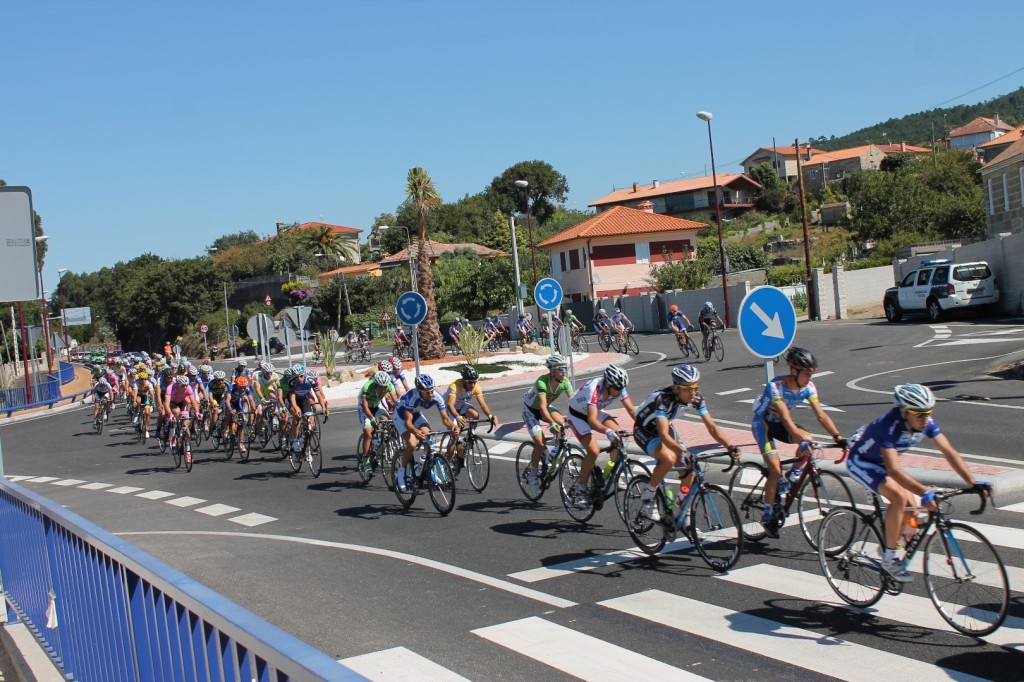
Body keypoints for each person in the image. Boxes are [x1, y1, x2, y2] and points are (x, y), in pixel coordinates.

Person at [846, 384, 991, 582]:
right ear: (904, 411)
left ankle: (889, 544)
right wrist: (925, 492)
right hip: (861, 462)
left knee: (912, 510)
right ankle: (889, 559)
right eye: (919, 414)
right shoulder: (888, 426)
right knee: (897, 497)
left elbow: (949, 452)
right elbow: (894, 470)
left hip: (881, 464)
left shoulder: (925, 422)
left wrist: (972, 482)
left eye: (928, 413)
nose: (925, 419)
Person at [750, 347, 847, 538]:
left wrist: (838, 437)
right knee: (775, 470)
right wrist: (799, 439)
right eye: (807, 374)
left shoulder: (808, 388)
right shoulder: (776, 387)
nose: (810, 378)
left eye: (811, 374)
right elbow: (786, 418)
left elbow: (820, 414)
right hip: (764, 425)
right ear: (794, 371)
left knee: (809, 441)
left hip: (781, 425)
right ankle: (767, 514)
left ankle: (793, 474)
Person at [632, 364, 740, 521]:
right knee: (668, 458)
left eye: (695, 387)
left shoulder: (696, 398)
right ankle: (648, 496)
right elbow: (662, 435)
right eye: (687, 388)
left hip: (664, 426)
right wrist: (683, 452)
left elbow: (712, 427)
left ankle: (683, 505)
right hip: (645, 430)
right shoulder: (663, 399)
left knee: (690, 466)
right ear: (677, 387)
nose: (693, 392)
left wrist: (730, 446)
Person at [566, 364, 638, 509]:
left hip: (594, 411)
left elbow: (631, 409)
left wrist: (644, 425)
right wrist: (607, 431)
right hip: (577, 415)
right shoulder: (594, 389)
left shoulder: (618, 387)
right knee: (593, 450)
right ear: (608, 384)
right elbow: (592, 421)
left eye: (622, 388)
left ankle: (613, 474)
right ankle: (581, 489)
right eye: (617, 389)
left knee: (619, 436)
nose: (620, 392)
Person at [393, 375, 459, 493]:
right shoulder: (411, 398)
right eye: (427, 392)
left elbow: (445, 419)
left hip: (416, 414)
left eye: (432, 391)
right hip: (401, 416)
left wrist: (453, 427)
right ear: (420, 391)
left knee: (429, 435)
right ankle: (401, 471)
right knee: (412, 444)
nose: (431, 394)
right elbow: (408, 423)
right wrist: (415, 431)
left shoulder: (437, 397)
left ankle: (424, 463)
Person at [521, 354, 573, 496]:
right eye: (561, 368)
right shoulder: (542, 382)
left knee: (562, 425)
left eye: (565, 368)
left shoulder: (565, 382)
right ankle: (532, 474)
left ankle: (554, 454)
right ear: (552, 370)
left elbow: (574, 401)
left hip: (545, 408)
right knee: (540, 442)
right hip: (531, 410)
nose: (564, 371)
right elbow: (542, 408)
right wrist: (550, 423)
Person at [358, 370, 398, 458]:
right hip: (365, 408)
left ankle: (383, 442)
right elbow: (365, 407)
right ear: (375, 384)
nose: (383, 390)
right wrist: (372, 418)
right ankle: (365, 459)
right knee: (368, 433)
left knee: (387, 421)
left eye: (385, 387)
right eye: (380, 387)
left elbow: (396, 403)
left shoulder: (390, 386)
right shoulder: (367, 387)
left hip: (377, 406)